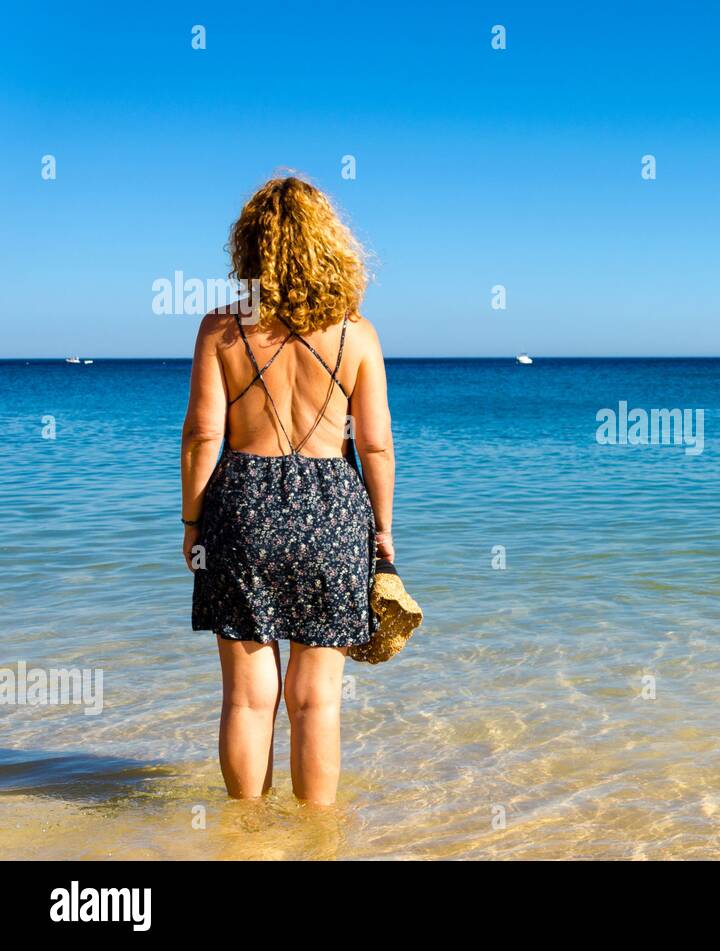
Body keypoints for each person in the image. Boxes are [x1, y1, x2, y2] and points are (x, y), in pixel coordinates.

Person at [180, 175, 394, 805]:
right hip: (333, 507)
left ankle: (244, 837)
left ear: (249, 247)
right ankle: (317, 840)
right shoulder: (358, 334)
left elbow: (201, 436)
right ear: (330, 244)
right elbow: (376, 445)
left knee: (247, 696)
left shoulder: (221, 328)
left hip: (241, 506)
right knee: (318, 699)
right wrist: (382, 530)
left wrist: (192, 523)